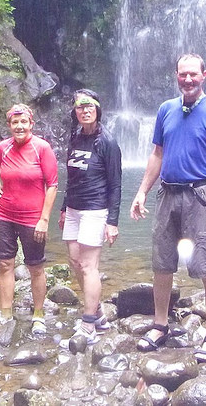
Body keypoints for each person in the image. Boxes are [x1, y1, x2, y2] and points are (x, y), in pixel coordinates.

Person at [130, 54, 206, 364]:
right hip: (167, 194)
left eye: (193, 74)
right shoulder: (166, 110)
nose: (188, 79)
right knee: (162, 263)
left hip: (201, 195)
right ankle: (160, 324)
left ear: (204, 75)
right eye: (182, 74)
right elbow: (157, 154)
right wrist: (141, 192)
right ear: (176, 76)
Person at [0, 103, 59, 337]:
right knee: (5, 264)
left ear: (31, 124)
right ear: (9, 125)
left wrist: (44, 219)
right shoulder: (2, 148)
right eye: (15, 122)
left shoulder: (42, 148)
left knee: (35, 267)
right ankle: (6, 315)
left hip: (32, 218)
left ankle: (38, 315)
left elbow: (53, 185)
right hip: (4, 215)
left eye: (23, 122)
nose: (19, 126)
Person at [59, 89, 122, 347]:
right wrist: (64, 207)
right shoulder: (74, 138)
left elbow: (116, 184)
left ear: (97, 109)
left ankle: (88, 324)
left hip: (95, 210)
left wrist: (113, 221)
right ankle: (98, 314)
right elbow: (71, 177)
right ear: (75, 111)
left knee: (89, 266)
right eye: (80, 107)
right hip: (74, 208)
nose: (85, 110)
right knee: (75, 261)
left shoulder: (107, 142)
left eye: (89, 106)